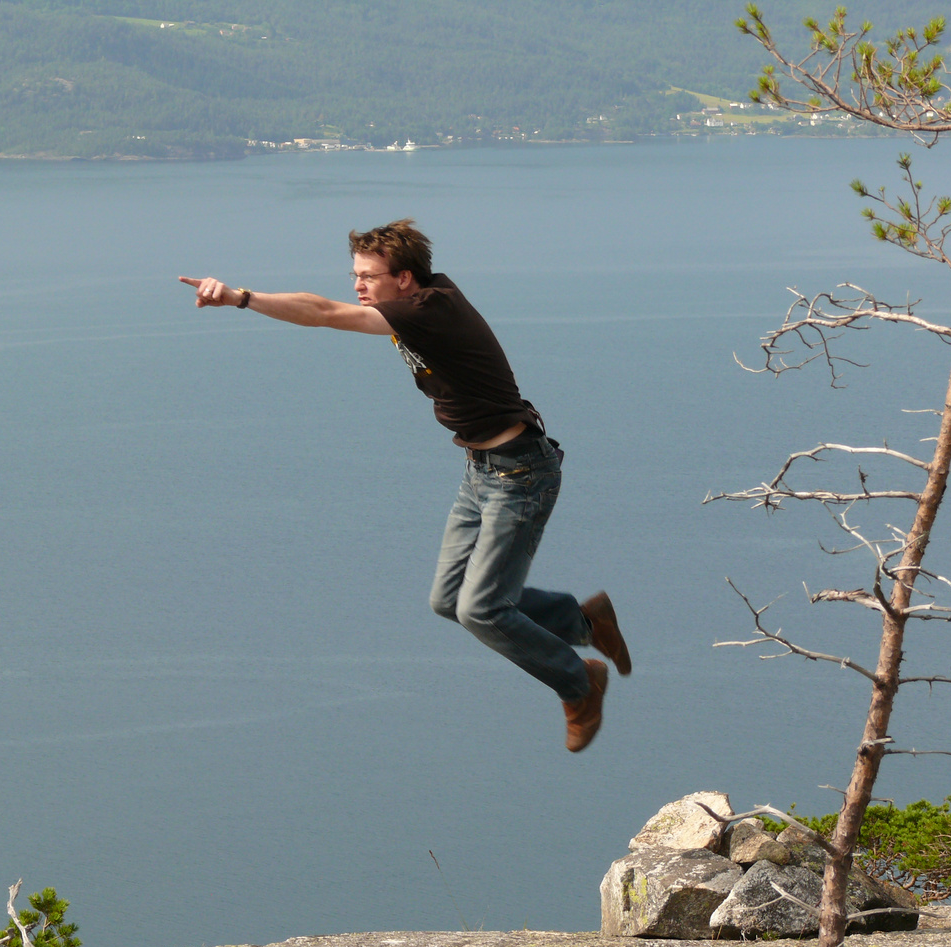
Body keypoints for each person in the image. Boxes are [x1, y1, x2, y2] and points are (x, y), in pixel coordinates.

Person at [179, 219, 631, 752]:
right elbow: (330, 305)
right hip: (481, 469)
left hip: (520, 474)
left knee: (481, 609)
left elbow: (322, 312)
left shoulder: (426, 310)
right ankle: (582, 620)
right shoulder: (423, 301)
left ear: (407, 280)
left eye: (369, 276)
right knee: (449, 601)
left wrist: (241, 298)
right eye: (355, 274)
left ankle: (580, 682)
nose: (358, 286)